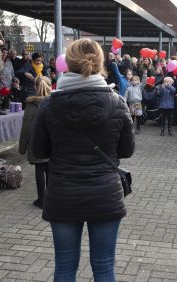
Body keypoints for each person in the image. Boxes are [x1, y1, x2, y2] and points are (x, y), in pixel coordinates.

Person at [30, 38, 134, 282]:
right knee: (105, 266)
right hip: (105, 194)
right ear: (100, 63)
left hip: (63, 194)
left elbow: (38, 150)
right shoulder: (116, 102)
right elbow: (127, 150)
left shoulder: (49, 104)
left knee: (65, 267)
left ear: (68, 62)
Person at [19, 76, 51, 208]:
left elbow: (26, 127)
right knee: (50, 170)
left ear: (35, 88)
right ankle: (51, 199)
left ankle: (42, 200)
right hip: (52, 143)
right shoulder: (54, 103)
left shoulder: (31, 105)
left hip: (36, 143)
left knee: (39, 170)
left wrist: (22, 147)